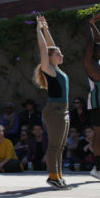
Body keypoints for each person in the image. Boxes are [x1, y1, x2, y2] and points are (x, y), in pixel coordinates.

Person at [31, 15, 70, 188]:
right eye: (58, 54)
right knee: (54, 146)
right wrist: (38, 30)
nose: (61, 55)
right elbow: (44, 48)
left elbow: (51, 46)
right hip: (55, 110)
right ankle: (53, 177)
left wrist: (46, 29)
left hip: (63, 110)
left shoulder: (57, 69)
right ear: (51, 57)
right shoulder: (49, 69)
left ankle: (58, 176)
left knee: (60, 146)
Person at [83, 13, 100, 181]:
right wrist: (88, 25)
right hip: (99, 104)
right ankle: (98, 168)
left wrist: (93, 25)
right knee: (99, 135)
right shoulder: (92, 66)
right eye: (99, 49)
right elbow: (91, 43)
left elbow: (99, 42)